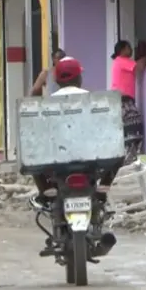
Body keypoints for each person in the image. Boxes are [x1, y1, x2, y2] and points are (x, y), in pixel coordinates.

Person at [30, 57, 89, 208]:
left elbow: (37, 125)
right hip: (89, 158)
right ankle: (104, 189)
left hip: (57, 159)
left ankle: (47, 194)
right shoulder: (91, 98)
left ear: (57, 81)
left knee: (32, 156)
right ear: (79, 78)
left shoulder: (49, 103)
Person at [109, 40, 146, 161]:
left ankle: (128, 158)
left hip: (121, 99)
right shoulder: (122, 61)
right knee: (134, 127)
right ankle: (130, 159)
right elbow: (140, 67)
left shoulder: (118, 62)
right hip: (124, 100)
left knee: (128, 129)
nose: (131, 50)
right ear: (122, 50)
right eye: (128, 48)